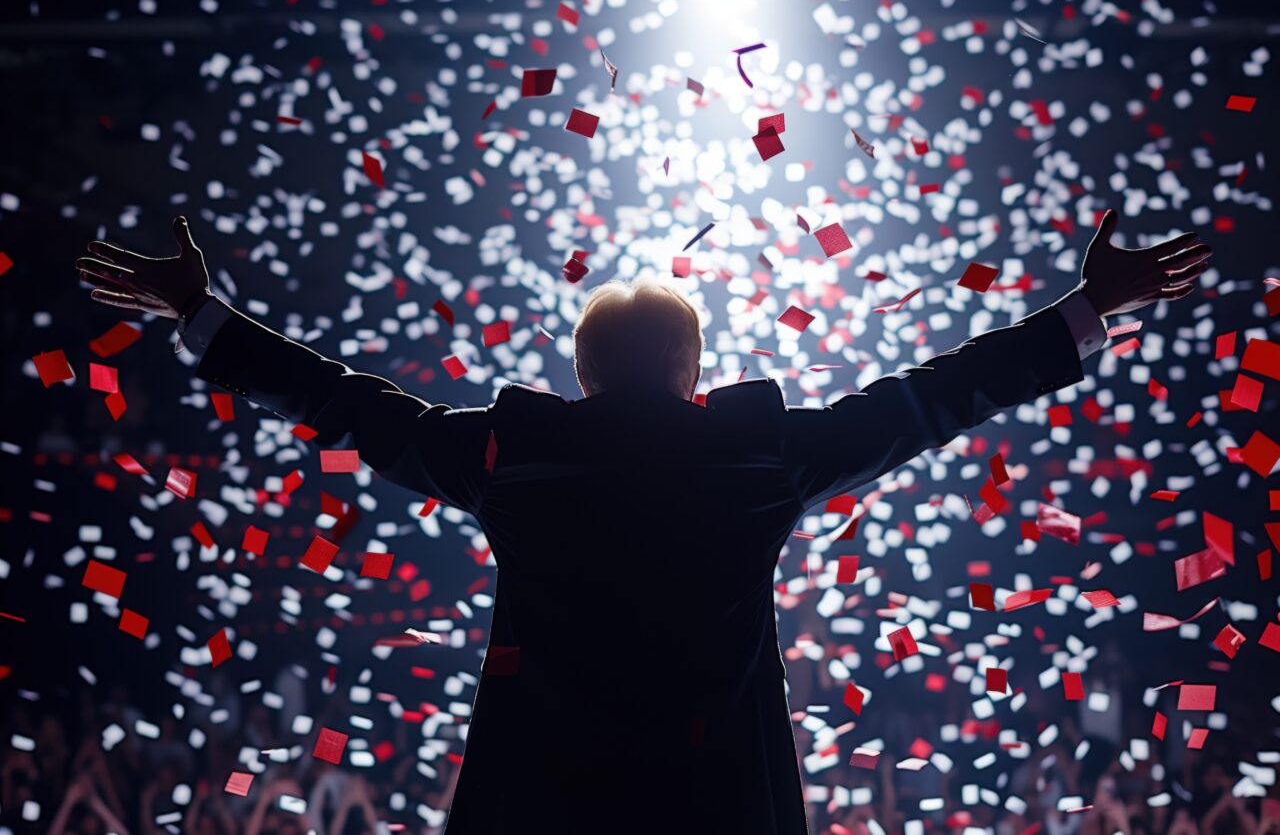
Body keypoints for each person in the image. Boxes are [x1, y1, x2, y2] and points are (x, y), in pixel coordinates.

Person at [75, 212, 1210, 834]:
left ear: (577, 372)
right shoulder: (754, 457)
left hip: (543, 805)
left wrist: (199, 313)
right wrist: (1087, 309)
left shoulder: (510, 459)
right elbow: (929, 396)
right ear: (696, 371)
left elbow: (345, 402)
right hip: (716, 806)